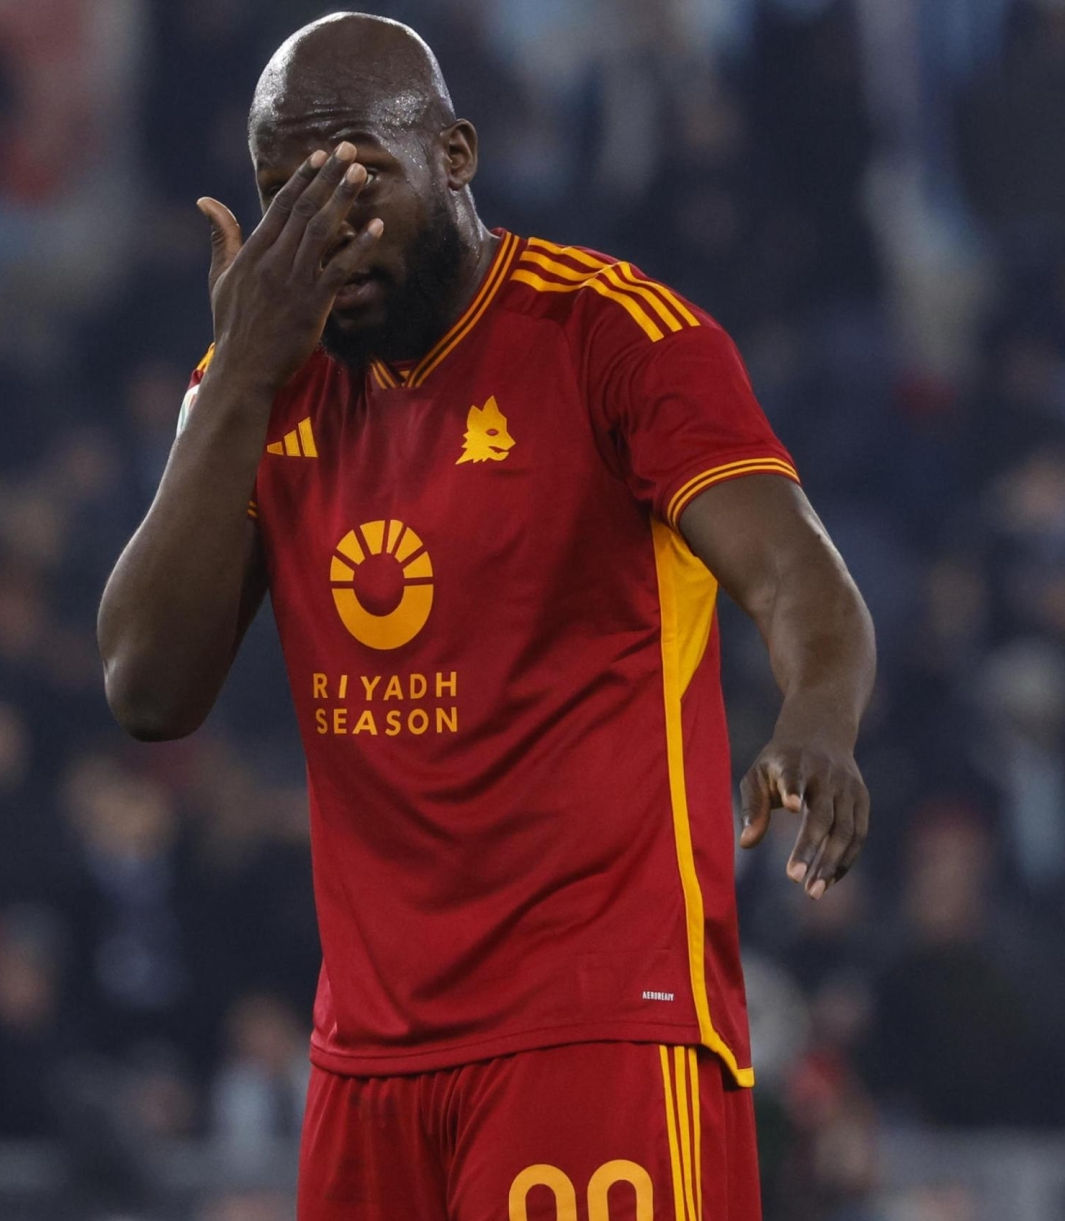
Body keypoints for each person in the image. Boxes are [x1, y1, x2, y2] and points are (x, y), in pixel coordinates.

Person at [96, 14, 876, 1220]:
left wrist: (817, 718)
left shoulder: (614, 338)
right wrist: (237, 380)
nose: (324, 233)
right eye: (283, 197)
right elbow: (147, 689)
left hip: (599, 1027)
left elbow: (795, 576)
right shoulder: (260, 380)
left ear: (454, 155)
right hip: (366, 1060)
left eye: (354, 178)